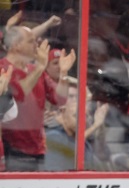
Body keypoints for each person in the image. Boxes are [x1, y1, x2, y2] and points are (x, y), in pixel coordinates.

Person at [0, 27, 76, 171]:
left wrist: (64, 73)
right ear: (16, 45)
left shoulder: (34, 69)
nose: (37, 44)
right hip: (12, 151)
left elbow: (59, 99)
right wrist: (40, 66)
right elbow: (18, 95)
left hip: (38, 150)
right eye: (31, 41)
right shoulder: (3, 68)